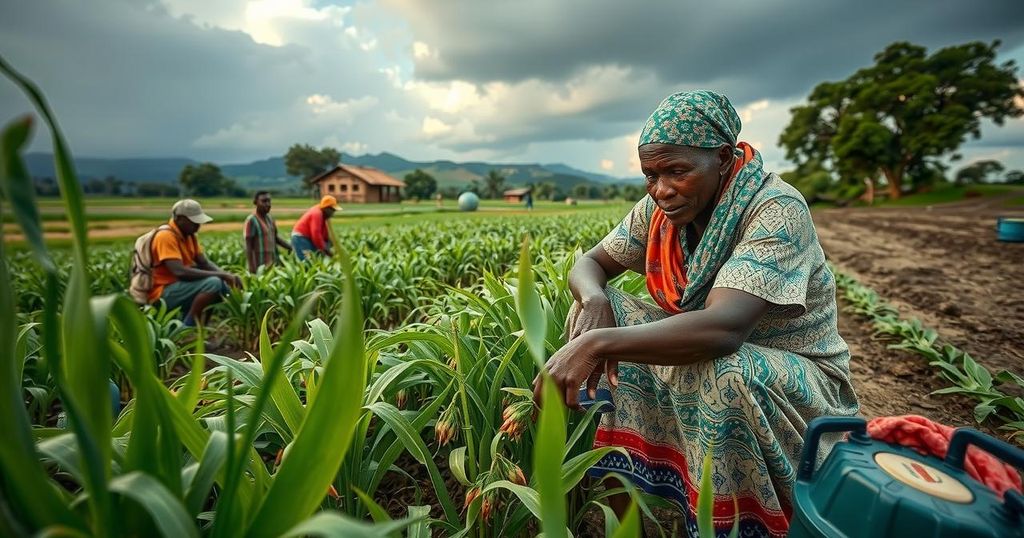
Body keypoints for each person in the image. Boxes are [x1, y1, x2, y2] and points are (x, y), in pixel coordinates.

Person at [533, 91, 858, 537]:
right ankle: (629, 512)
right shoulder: (660, 209)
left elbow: (724, 330)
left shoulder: (775, 210)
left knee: (724, 370)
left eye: (677, 171)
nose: (661, 189)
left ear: (722, 158)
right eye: (651, 175)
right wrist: (594, 303)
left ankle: (734, 521)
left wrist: (593, 343)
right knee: (610, 314)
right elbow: (589, 265)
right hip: (720, 358)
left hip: (797, 381)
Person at [149, 199, 242, 326]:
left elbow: (204, 263)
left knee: (222, 286)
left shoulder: (189, 236)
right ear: (180, 218)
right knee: (213, 283)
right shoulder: (165, 236)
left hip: (181, 287)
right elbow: (180, 272)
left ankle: (200, 331)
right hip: (162, 293)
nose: (198, 225)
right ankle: (186, 327)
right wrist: (222, 276)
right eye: (194, 221)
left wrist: (229, 276)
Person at [244, 191, 292, 273]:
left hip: (273, 263)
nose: (268, 204)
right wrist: (252, 268)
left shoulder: (270, 219)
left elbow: (275, 238)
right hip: (260, 266)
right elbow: (248, 246)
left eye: (269, 201)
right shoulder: (251, 220)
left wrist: (290, 247)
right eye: (264, 201)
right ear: (255, 203)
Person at [291, 195, 341, 261]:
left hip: (307, 238)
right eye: (332, 210)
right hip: (301, 238)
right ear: (327, 208)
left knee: (316, 259)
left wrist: (329, 244)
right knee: (308, 261)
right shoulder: (317, 214)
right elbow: (316, 234)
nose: (333, 213)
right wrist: (326, 250)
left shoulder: (322, 213)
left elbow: (323, 233)